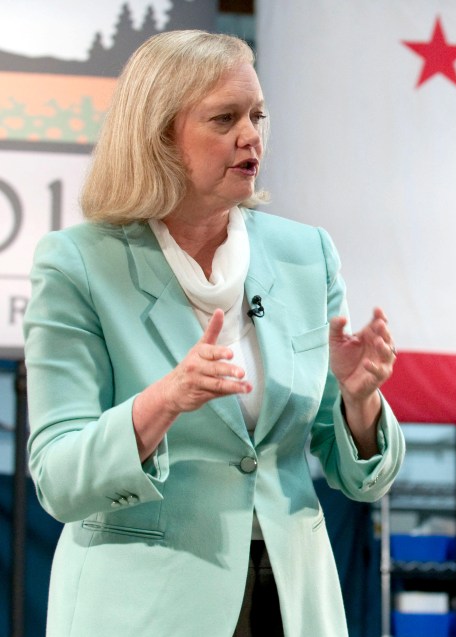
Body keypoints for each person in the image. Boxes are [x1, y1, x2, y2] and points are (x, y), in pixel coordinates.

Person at [23, 30, 405, 636]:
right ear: (160, 139)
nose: (252, 135)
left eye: (257, 115)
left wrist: (360, 400)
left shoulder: (307, 255)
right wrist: (162, 402)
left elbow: (362, 479)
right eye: (225, 118)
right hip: (143, 609)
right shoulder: (78, 265)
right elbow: (60, 479)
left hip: (292, 603)